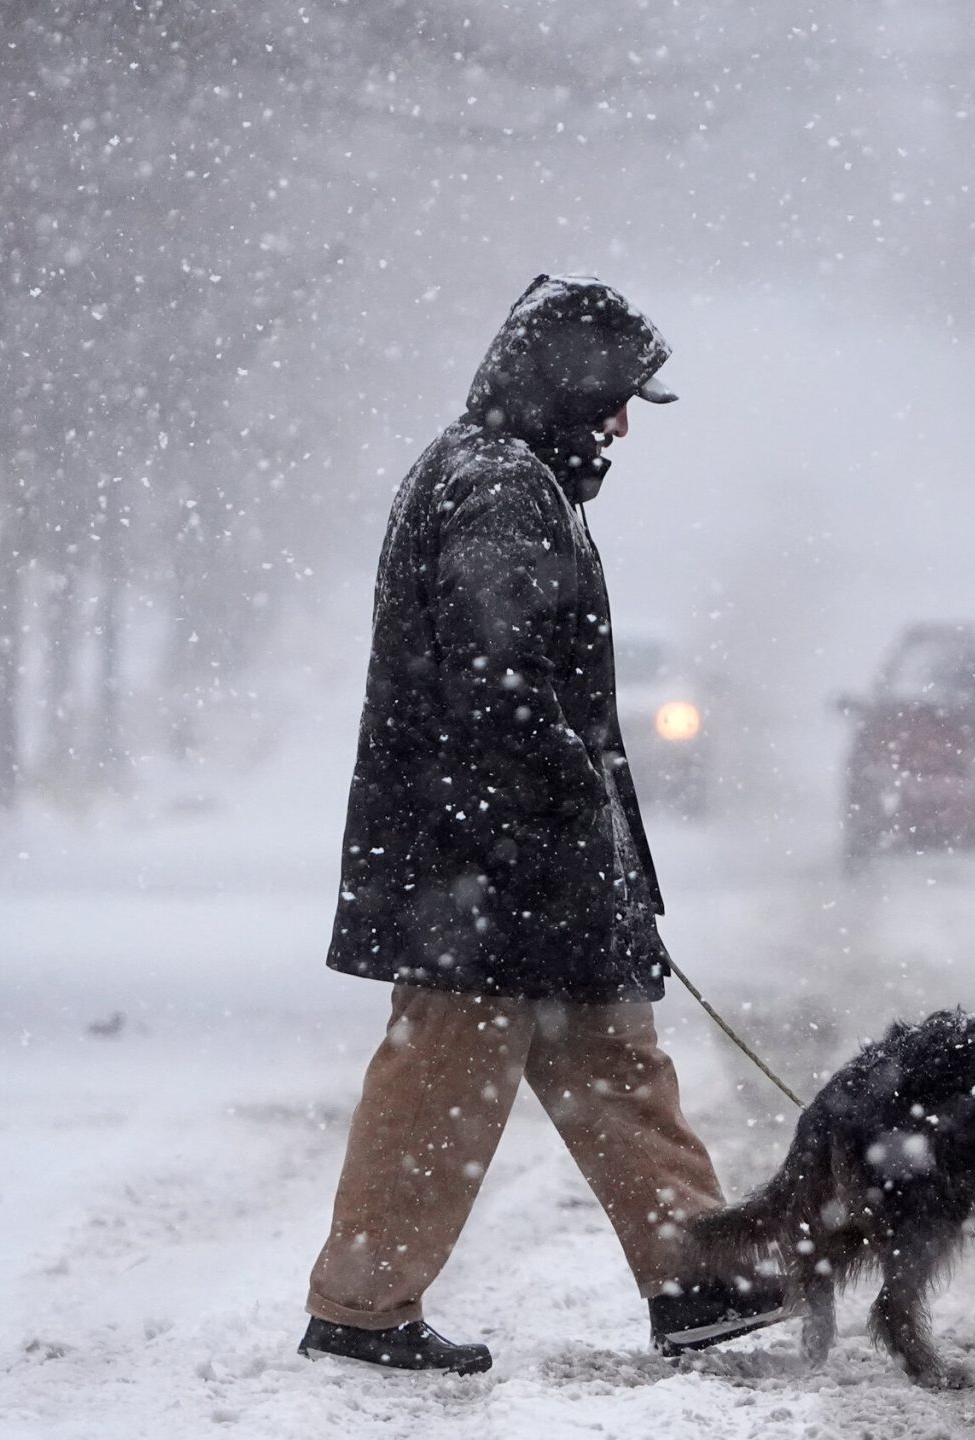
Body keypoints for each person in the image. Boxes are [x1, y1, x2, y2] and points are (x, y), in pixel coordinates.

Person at [298, 275, 785, 1375]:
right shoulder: (497, 488)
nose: (620, 424)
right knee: (443, 1081)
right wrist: (568, 818)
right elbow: (498, 678)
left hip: (515, 858)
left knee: (613, 1060)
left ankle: (695, 1279)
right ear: (561, 386)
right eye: (612, 398)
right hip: (483, 862)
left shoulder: (507, 478)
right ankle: (361, 1310)